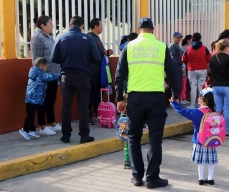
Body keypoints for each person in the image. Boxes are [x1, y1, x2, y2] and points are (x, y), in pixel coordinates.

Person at [115, 17, 179, 189]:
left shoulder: (129, 46)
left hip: (135, 99)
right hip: (156, 98)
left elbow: (119, 74)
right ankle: (152, 178)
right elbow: (172, 73)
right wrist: (176, 93)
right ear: (153, 29)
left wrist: (119, 98)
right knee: (155, 138)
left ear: (138, 29)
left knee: (134, 137)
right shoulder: (161, 46)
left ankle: (137, 176)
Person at [51, 16, 101, 144]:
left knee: (66, 106)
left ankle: (66, 135)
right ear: (82, 26)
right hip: (83, 76)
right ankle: (84, 135)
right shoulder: (88, 39)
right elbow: (96, 58)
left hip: (66, 76)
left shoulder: (61, 38)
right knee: (84, 106)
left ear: (69, 25)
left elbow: (54, 58)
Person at [171, 88, 218, 186]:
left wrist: (174, 103)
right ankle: (211, 179)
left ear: (201, 100)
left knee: (200, 162)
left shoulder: (196, 112)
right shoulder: (213, 112)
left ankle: (200, 179)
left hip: (200, 140)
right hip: (211, 140)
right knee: (211, 162)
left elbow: (183, 111)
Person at [31, 15, 61, 136]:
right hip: (44, 75)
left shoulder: (50, 36)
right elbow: (36, 58)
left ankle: (52, 122)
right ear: (42, 26)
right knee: (43, 100)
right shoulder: (37, 38)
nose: (52, 26)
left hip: (53, 74)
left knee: (51, 99)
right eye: (50, 24)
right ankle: (43, 126)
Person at [19, 58, 60, 140]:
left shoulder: (33, 71)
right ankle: (25, 129)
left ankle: (31, 129)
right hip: (34, 98)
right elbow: (49, 77)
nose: (47, 68)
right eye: (46, 67)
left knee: (31, 114)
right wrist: (60, 74)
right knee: (30, 115)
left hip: (31, 97)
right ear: (41, 66)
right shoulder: (40, 73)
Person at [209, 39, 229, 138]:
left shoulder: (213, 58)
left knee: (217, 108)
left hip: (216, 86)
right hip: (228, 86)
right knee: (227, 109)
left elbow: (211, 73)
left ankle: (215, 129)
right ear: (227, 47)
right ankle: (226, 131)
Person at [87, 18, 108, 125]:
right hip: (92, 71)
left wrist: (106, 52)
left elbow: (101, 51)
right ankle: (88, 116)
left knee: (97, 95)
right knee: (90, 95)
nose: (102, 27)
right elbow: (94, 53)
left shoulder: (97, 38)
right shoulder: (89, 38)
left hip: (99, 71)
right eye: (101, 25)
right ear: (95, 26)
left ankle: (97, 113)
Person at [182, 32, 211, 108]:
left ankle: (192, 105)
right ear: (200, 39)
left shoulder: (187, 48)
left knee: (193, 87)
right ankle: (201, 104)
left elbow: (183, 59)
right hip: (202, 70)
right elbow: (209, 59)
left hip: (191, 70)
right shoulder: (204, 48)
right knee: (201, 87)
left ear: (192, 39)